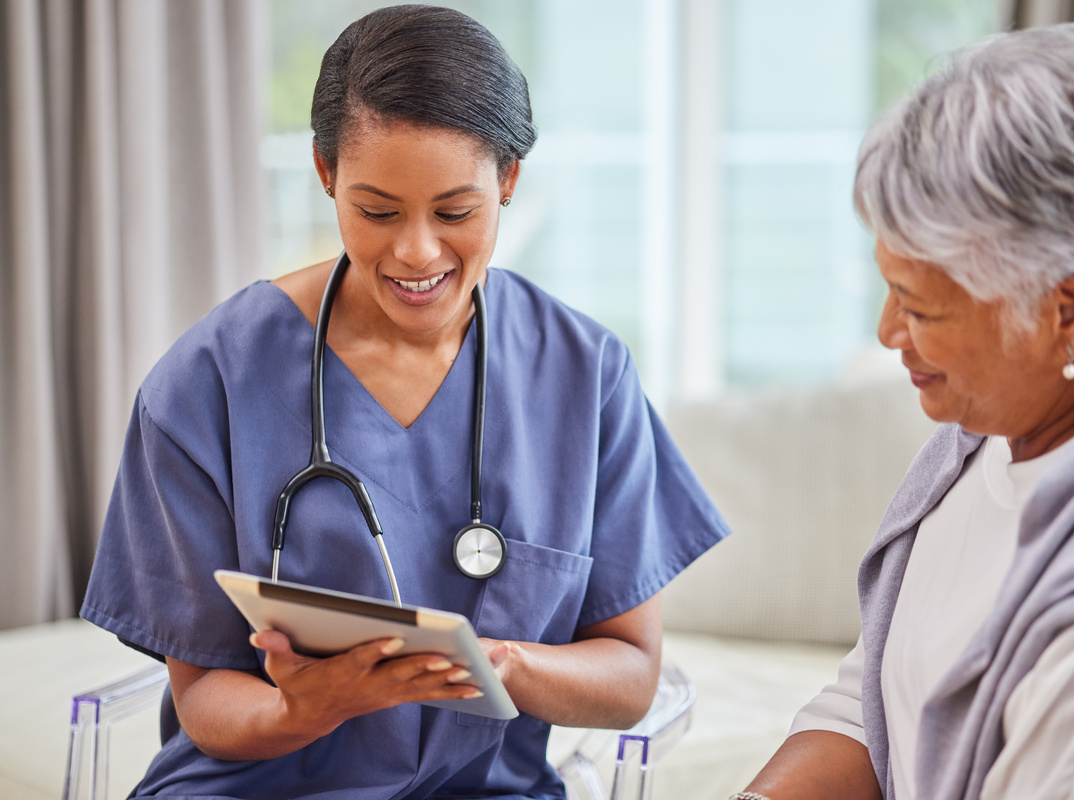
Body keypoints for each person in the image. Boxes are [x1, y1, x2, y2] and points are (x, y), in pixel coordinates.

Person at [80, 5, 729, 798]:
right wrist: (301, 709)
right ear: (325, 173)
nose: (416, 252)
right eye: (377, 211)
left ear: (510, 179)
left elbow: (628, 676)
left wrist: (504, 665)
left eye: (455, 212)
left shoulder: (586, 377)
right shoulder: (209, 382)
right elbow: (206, 698)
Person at [733, 22, 1074, 800]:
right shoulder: (1016, 414)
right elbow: (877, 700)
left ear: (1070, 315)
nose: (887, 334)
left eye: (920, 308)